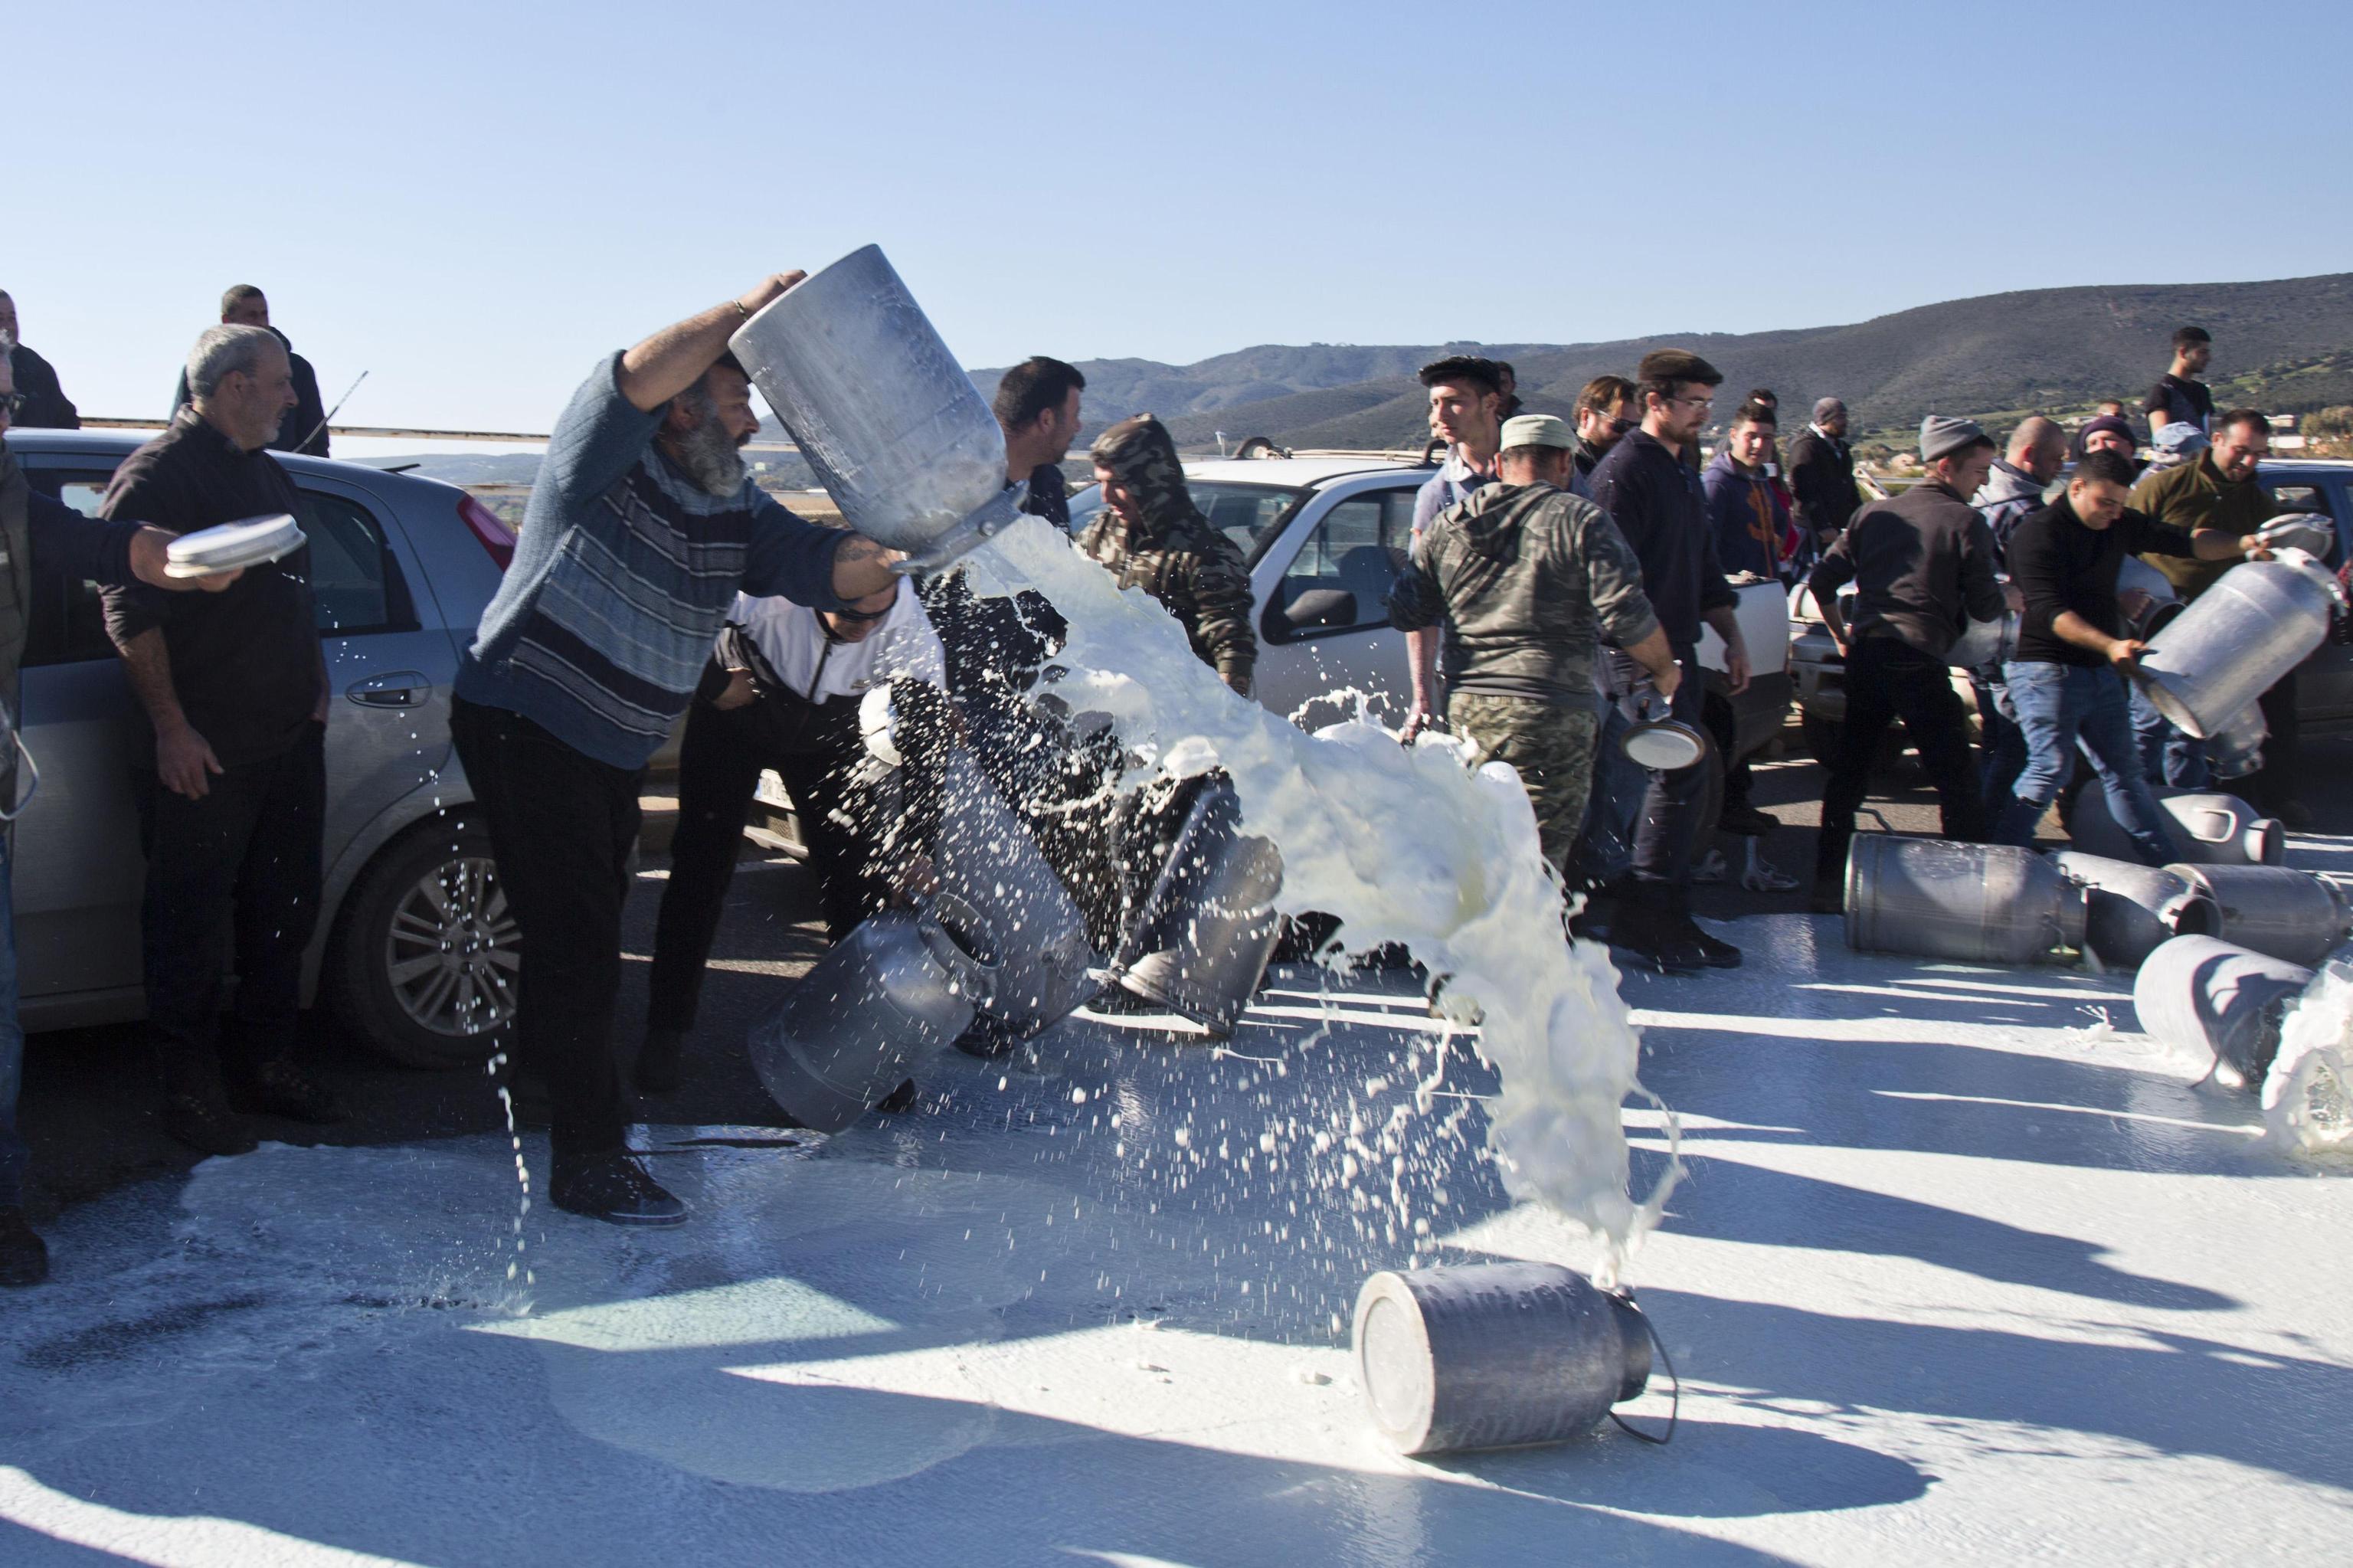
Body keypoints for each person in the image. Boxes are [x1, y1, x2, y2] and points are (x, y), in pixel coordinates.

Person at [447, 273, 903, 1228]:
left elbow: (825, 562)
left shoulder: (733, 503)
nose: (750, 426)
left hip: (604, 741)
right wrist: (742, 312)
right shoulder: (604, 451)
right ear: (687, 404)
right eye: (739, 402)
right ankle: (591, 1156)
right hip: (524, 712)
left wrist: (887, 570)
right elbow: (631, 374)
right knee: (579, 938)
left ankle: (544, 1078)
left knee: (577, 914)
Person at [2, 354, 239, 1286]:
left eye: (8, 398)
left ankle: (2, 1212)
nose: (6, 413)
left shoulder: (10, 496)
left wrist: (173, 562)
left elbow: (95, 546)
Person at [99, 326, 345, 1159]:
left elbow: (294, 585)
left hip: (284, 739)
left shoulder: (264, 468)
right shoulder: (161, 474)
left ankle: (265, 1065)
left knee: (283, 912)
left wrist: (315, 687)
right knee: (189, 924)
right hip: (205, 748)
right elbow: (126, 610)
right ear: (236, 385)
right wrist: (171, 728)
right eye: (280, 384)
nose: (293, 397)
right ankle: (190, 1089)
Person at [641, 578, 947, 1092]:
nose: (865, 629)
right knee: (701, 870)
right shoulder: (769, 593)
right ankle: (664, 1033)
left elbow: (928, 741)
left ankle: (870, 1045)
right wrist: (716, 685)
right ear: (820, 597)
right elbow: (675, 617)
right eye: (851, 617)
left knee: (853, 885)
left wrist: (919, 845)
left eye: (877, 618)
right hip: (739, 710)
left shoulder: (909, 628)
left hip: (829, 730)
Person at [1392, 414, 1677, 878]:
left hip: (1470, 713)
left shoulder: (1449, 524)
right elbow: (1627, 616)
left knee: (1480, 858)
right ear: (1565, 462)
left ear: (1501, 462)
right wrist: (1663, 669)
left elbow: (1406, 610)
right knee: (1536, 869)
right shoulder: (1583, 521)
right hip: (1552, 716)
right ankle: (1525, 945)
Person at [1994, 450, 2269, 860]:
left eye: (2120, 504)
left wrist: (2242, 545)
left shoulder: (2117, 521)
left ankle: (2164, 865)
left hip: (2100, 670)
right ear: (2076, 488)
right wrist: (2110, 645)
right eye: (2105, 503)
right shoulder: (2038, 535)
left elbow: (2183, 541)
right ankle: (2002, 858)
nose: (2113, 513)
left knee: (2125, 775)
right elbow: (2049, 611)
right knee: (2049, 768)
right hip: (2044, 670)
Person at [1584, 349, 1752, 971]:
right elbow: (1609, 587)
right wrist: (1653, 662)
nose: (1704, 417)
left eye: (1710, 405)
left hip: (1679, 648)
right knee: (1668, 778)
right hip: (1636, 655)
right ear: (1655, 402)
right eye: (1694, 404)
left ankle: (1668, 913)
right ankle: (1646, 917)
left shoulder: (1683, 467)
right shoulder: (1623, 473)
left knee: (1687, 782)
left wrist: (1731, 634)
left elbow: (1704, 565)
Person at [1808, 416, 2007, 908]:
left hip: (1870, 653)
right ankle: (1968, 890)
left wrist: (1842, 635)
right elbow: (1984, 608)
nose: (1983, 482)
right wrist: (2011, 598)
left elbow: (1820, 583)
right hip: (1920, 659)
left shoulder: (1872, 514)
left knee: (1850, 776)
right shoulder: (1966, 522)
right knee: (1956, 779)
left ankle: (1828, 881)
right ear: (1946, 466)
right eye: (1978, 472)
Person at [2129, 408, 2299, 819]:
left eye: (2258, 454)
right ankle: (2134, 816)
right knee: (2147, 730)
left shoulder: (2259, 502)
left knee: (2192, 734)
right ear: (2216, 442)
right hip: (2160, 624)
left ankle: (2186, 820)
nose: (2249, 462)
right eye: (2241, 451)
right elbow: (2117, 540)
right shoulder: (2166, 487)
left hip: (2220, 631)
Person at [1078, 414, 1256, 696]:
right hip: (1109, 704)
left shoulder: (1205, 552)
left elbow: (1230, 647)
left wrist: (1228, 717)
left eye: (1118, 483)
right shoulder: (1101, 532)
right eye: (1100, 482)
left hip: (1179, 712)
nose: (1106, 496)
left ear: (1150, 481)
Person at [169, 286, 332, 457]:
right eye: (252, 315)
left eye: (264, 314)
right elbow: (180, 428)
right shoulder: (202, 369)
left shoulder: (298, 369)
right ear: (228, 321)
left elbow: (316, 440)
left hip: (282, 471)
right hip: (210, 469)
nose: (261, 322)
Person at [1704, 400, 1792, 581]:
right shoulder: (1717, 483)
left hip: (1766, 587)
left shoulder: (1760, 479)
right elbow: (1705, 548)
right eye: (1751, 436)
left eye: (1767, 438)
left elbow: (1781, 520)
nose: (1759, 444)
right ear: (1734, 436)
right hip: (1734, 594)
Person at [1974, 417, 2067, 557]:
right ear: (2029, 454)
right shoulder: (2027, 515)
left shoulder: (1976, 492)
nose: (2061, 466)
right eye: (2056, 459)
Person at [1787, 396, 1864, 545]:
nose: (1845, 422)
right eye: (1840, 417)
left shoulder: (1841, 449)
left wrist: (1860, 518)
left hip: (1839, 529)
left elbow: (1850, 489)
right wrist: (1822, 526)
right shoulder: (1806, 447)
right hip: (1815, 532)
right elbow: (1804, 492)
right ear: (1825, 419)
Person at [0, 293, 78, 429]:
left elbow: (67, 422)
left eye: (12, 318)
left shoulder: (39, 369)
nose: (8, 327)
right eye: (0, 319)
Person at [1568, 375, 1638, 496]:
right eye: (1621, 425)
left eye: (1636, 428)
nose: (1628, 435)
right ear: (1586, 417)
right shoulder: (1565, 469)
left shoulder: (1632, 469)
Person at [2145, 326, 2214, 437]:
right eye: (2202, 352)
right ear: (2183, 352)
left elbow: (2207, 434)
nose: (2209, 358)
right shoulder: (2162, 392)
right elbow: (2162, 440)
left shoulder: (2202, 391)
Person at [2070, 411, 2141, 466]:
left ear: (2129, 445)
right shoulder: (2079, 483)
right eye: (2093, 443)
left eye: (2107, 439)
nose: (2101, 447)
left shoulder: (2149, 480)